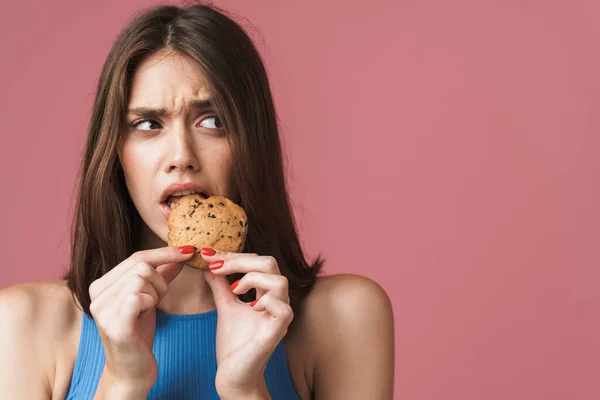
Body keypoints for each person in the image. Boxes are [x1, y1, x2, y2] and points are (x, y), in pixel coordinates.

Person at [0, 3, 394, 399]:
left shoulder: (344, 317)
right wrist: (122, 381)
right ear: (115, 150)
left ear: (251, 143)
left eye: (212, 121)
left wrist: (244, 388)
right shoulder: (23, 324)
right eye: (148, 124)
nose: (181, 156)